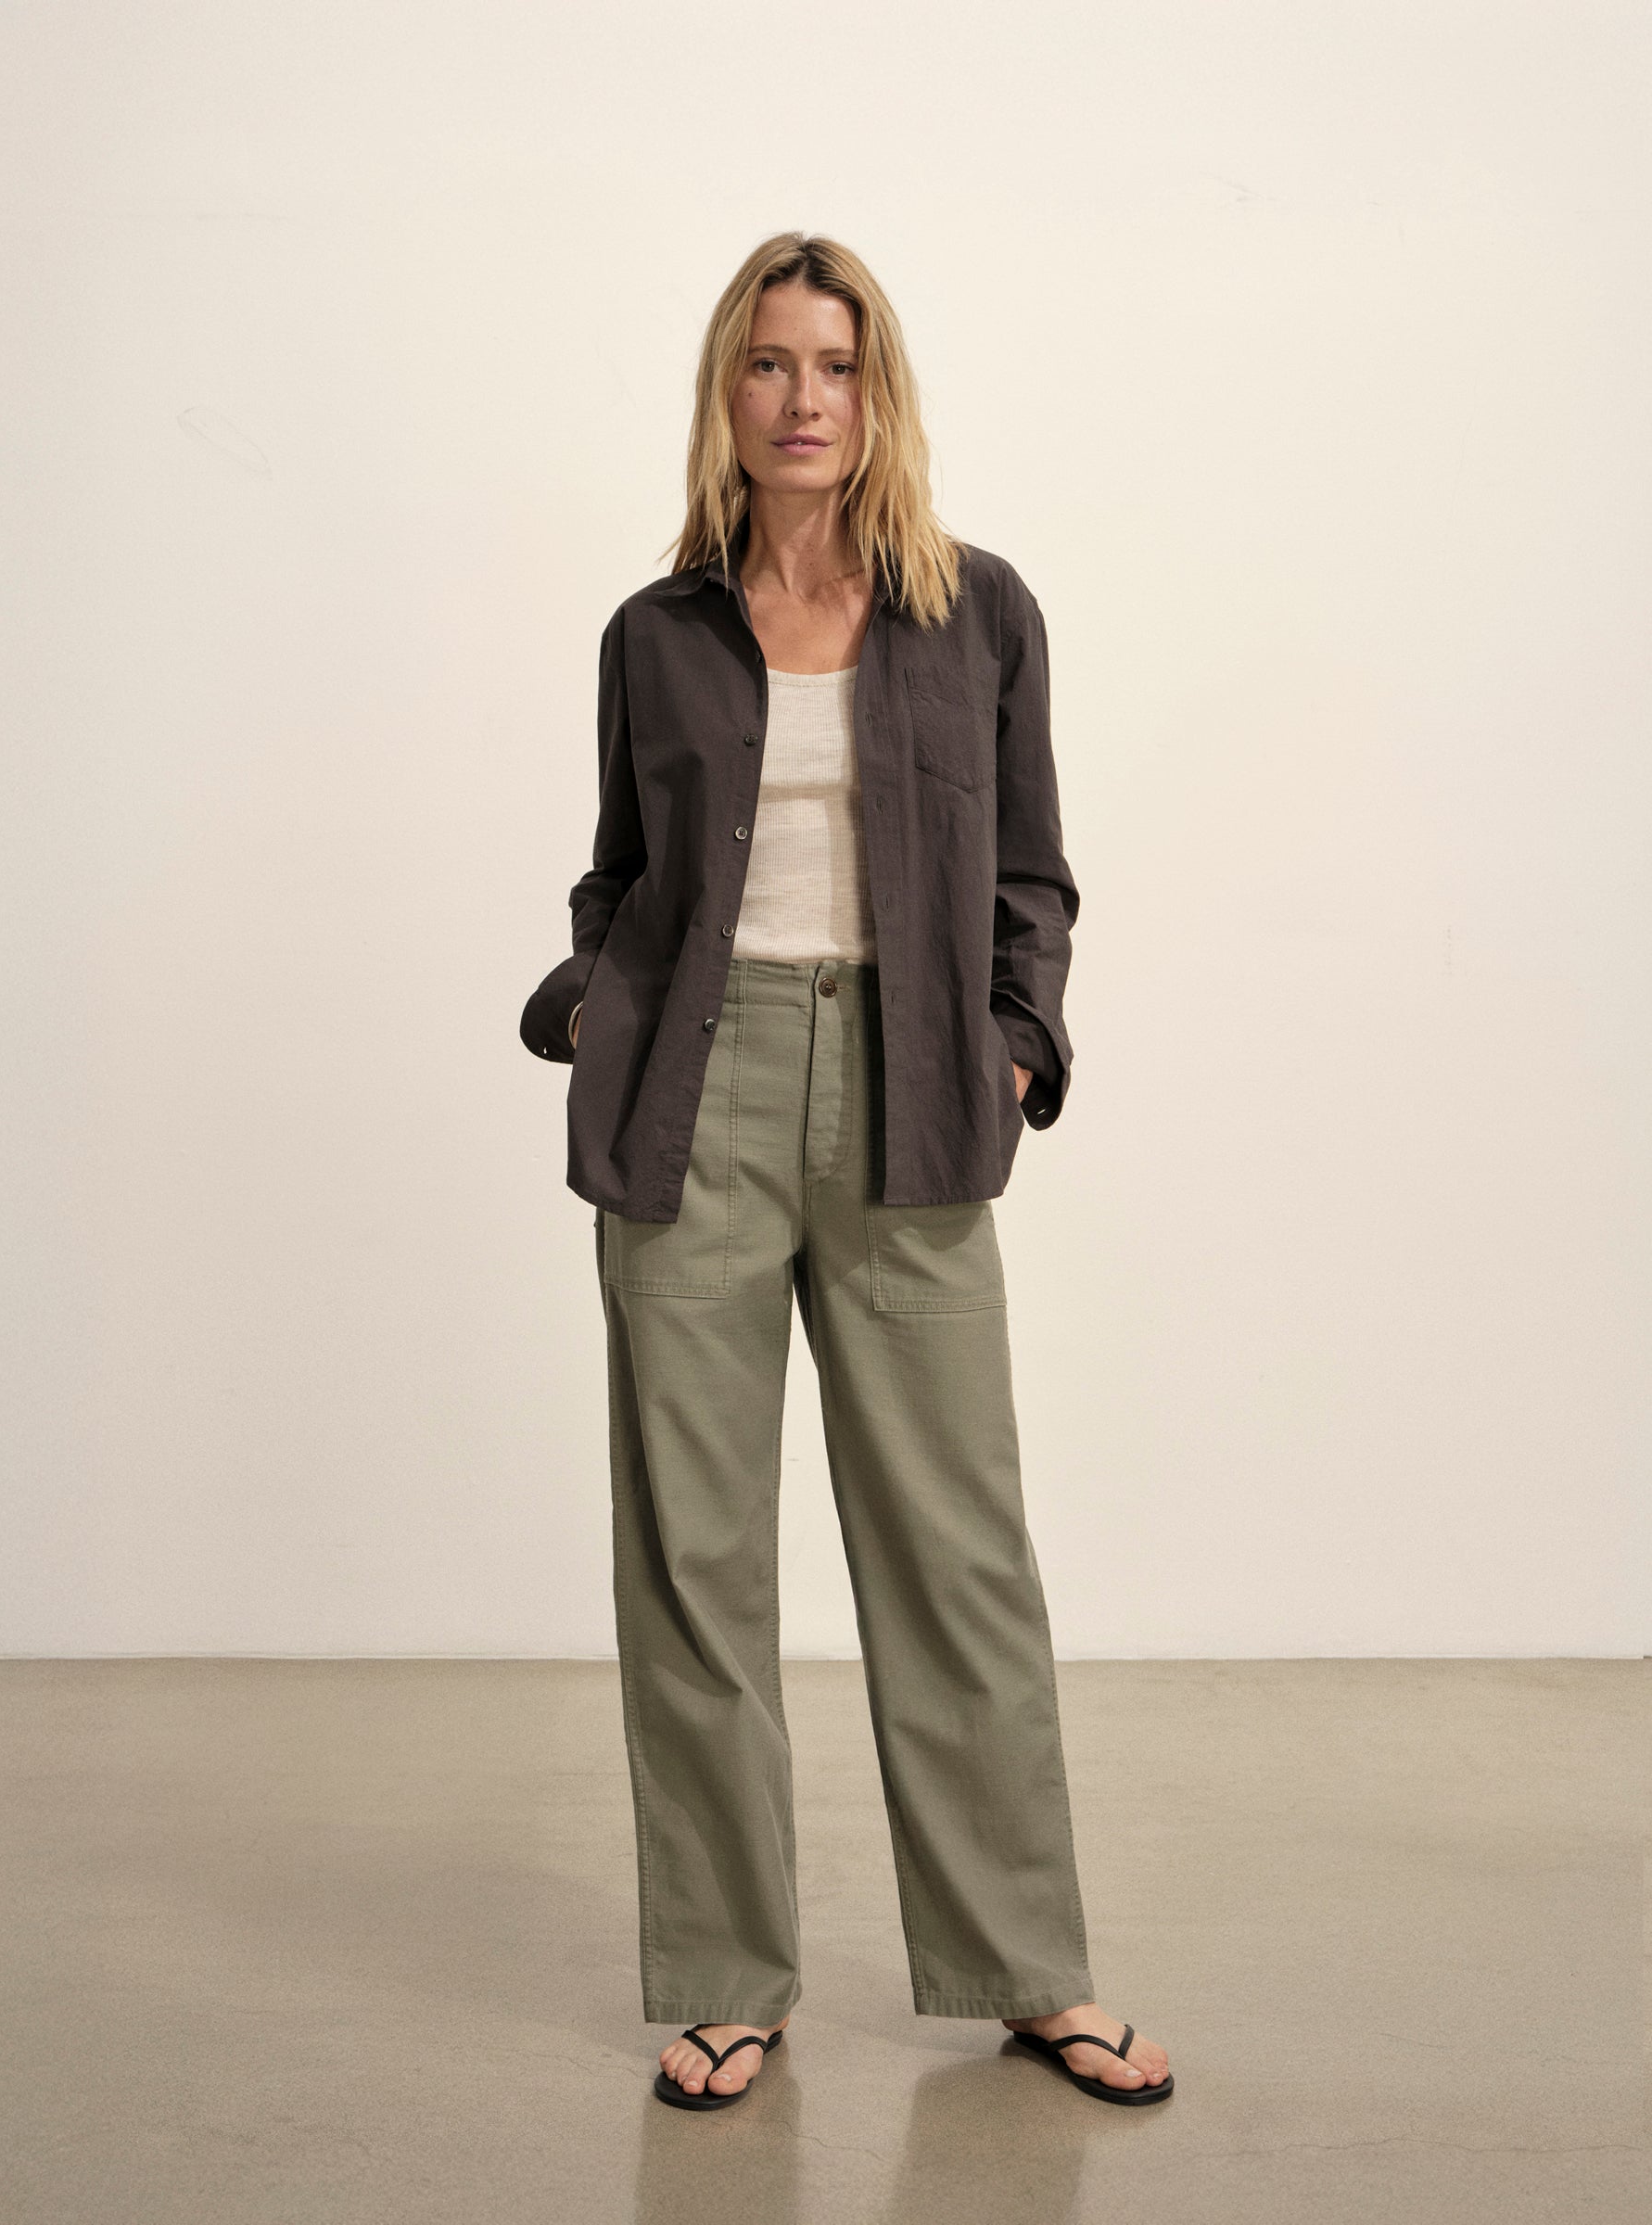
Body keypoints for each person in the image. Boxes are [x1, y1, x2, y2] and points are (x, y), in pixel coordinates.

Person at [519, 232, 1173, 2113]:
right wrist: (598, 1003)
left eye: (837, 364)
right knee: (695, 1559)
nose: (804, 399)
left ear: (878, 394)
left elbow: (1031, 874)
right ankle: (729, 1975)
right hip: (694, 1100)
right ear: (726, 393)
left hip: (914, 1098)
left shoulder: (979, 612)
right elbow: (621, 870)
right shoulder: (656, 634)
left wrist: (1017, 1042)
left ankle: (1029, 1969)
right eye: (769, 363)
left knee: (956, 1551)